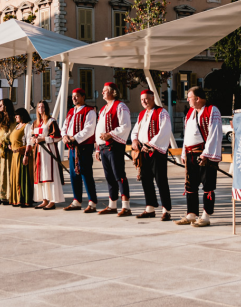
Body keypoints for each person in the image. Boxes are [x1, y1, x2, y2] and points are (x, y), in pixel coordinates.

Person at [177, 87, 223, 227]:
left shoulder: (212, 110)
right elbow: (187, 134)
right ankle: (191, 214)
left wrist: (206, 154)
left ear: (197, 98)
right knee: (190, 185)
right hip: (190, 153)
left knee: (208, 185)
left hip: (203, 154)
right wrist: (184, 153)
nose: (187, 100)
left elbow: (214, 134)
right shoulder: (190, 112)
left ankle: (206, 216)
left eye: (189, 97)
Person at [131, 89, 174, 221]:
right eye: (142, 99)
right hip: (143, 151)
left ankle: (166, 210)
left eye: (146, 99)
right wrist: (134, 140)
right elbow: (135, 130)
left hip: (156, 151)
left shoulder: (162, 112)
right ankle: (150, 208)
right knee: (146, 180)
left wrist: (150, 144)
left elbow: (165, 131)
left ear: (153, 98)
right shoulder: (142, 114)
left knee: (161, 181)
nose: (144, 101)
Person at [94, 82, 132, 217]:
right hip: (104, 146)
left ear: (112, 92)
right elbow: (98, 129)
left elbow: (126, 126)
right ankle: (112, 205)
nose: (102, 92)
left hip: (114, 145)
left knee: (119, 175)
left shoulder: (120, 106)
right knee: (109, 177)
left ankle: (126, 206)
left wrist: (110, 134)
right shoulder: (103, 109)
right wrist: (97, 148)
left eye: (105, 90)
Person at [62, 88, 98, 213]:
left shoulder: (90, 111)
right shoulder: (71, 111)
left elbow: (89, 130)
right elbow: (65, 126)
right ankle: (76, 201)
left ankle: (92, 202)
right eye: (73, 96)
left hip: (84, 147)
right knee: (73, 174)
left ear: (83, 97)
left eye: (76, 96)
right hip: (72, 148)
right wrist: (65, 136)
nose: (74, 98)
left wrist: (74, 138)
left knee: (86, 173)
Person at [31, 100, 65, 209]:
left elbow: (58, 137)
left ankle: (52, 200)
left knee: (49, 174)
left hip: (48, 151)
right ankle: (44, 200)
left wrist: (43, 139)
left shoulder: (51, 121)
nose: (41, 109)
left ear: (46, 108)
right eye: (39, 107)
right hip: (38, 152)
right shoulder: (36, 122)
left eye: (43, 107)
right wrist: (32, 139)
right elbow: (31, 135)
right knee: (40, 175)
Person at [10, 108, 35, 207]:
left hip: (21, 155)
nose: (15, 116)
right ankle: (16, 199)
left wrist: (26, 155)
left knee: (22, 178)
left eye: (17, 115)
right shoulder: (16, 126)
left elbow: (29, 141)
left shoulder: (27, 126)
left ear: (22, 116)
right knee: (15, 178)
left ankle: (24, 199)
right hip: (14, 155)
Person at [0, 99, 15, 204]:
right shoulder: (0, 117)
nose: (0, 106)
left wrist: (1, 142)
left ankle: (5, 195)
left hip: (5, 148)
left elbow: (10, 132)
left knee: (5, 171)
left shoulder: (12, 118)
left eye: (2, 105)